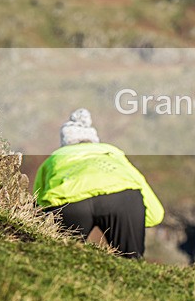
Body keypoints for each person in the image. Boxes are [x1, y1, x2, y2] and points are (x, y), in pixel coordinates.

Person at [33, 108, 164, 259]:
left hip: (71, 201)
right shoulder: (114, 153)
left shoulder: (54, 158)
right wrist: (134, 224)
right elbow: (153, 211)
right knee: (130, 259)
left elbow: (39, 202)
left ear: (65, 142)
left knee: (62, 256)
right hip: (123, 198)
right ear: (94, 140)